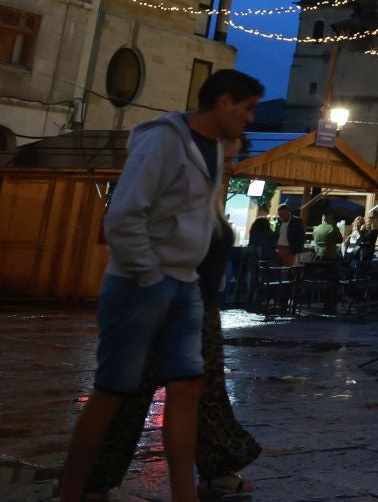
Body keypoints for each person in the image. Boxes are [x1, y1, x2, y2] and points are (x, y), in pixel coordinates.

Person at [57, 67, 263, 502]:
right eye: (247, 109)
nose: (250, 120)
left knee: (188, 388)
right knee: (112, 392)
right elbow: (123, 216)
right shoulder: (164, 141)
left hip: (185, 286)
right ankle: (73, 491)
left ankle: (184, 495)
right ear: (223, 102)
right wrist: (151, 277)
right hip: (144, 285)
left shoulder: (208, 150)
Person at [272, 203, 306, 267]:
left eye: (282, 214)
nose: (281, 216)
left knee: (288, 269)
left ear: (288, 212)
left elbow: (301, 237)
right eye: (279, 215)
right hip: (278, 248)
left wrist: (294, 248)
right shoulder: (279, 221)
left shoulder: (296, 221)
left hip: (290, 249)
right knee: (278, 268)